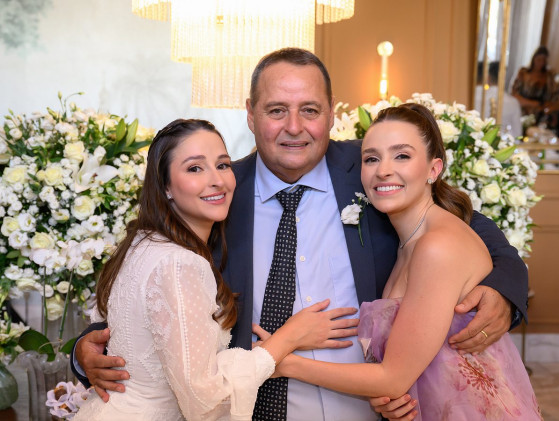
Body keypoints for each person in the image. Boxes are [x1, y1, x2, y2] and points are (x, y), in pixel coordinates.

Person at [72, 48, 529, 421]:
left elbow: (467, 229)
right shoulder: (216, 193)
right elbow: (148, 279)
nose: (294, 127)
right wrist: (89, 348)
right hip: (245, 408)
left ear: (331, 113)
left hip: (368, 407)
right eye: (277, 111)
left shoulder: (375, 170)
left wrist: (503, 289)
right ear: (250, 114)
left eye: (309, 110)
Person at [260, 103, 542, 420]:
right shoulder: (407, 243)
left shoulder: (437, 246)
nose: (383, 170)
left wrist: (281, 361)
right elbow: (406, 372)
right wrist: (387, 397)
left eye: (402, 156)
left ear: (434, 169)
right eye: (372, 159)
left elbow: (393, 377)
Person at [73, 119, 359, 420]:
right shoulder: (179, 262)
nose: (217, 180)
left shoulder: (142, 242)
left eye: (222, 165)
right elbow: (205, 401)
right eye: (195, 168)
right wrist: (289, 337)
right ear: (165, 186)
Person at [511, 46, 559, 128]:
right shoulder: (523, 73)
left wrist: (549, 108)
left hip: (542, 117)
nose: (541, 63)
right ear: (534, 59)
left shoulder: (549, 77)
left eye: (544, 60)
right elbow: (514, 95)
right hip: (523, 113)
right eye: (539, 59)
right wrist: (535, 104)